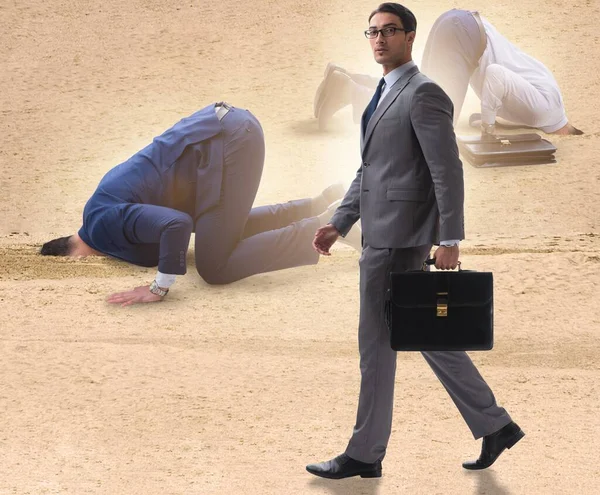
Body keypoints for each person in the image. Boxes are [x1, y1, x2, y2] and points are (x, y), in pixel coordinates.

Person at [307, 3, 524, 479]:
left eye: (389, 30)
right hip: (381, 231)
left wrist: (449, 238)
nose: (379, 38)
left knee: (377, 345)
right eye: (372, 32)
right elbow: (371, 169)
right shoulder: (385, 91)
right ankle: (494, 424)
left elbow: (447, 170)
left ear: (410, 37)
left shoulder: (423, 92)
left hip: (398, 238)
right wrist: (340, 222)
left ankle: (365, 452)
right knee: (421, 334)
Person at [40, 102, 361, 306]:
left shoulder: (103, 226)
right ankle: (317, 208)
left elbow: (176, 225)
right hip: (222, 137)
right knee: (217, 232)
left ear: (73, 256)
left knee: (214, 265)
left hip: (225, 142)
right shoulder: (100, 215)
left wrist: (159, 287)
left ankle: (327, 228)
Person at [314, 9, 582, 136]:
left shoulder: (547, 105)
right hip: (465, 38)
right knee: (430, 120)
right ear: (567, 133)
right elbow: (497, 75)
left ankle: (346, 80)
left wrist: (490, 119)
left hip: (461, 25)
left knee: (418, 93)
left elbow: (512, 90)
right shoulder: (544, 112)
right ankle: (349, 91)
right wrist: (488, 126)